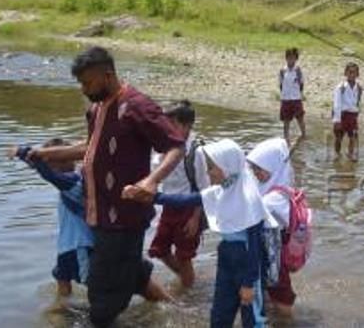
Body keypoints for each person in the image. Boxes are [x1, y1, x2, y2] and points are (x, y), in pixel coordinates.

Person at [32, 46, 184, 327]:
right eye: (81, 83)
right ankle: (180, 315)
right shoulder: (96, 108)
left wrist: (152, 181)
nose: (83, 89)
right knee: (132, 275)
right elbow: (91, 148)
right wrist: (48, 154)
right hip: (100, 218)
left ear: (107, 75)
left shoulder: (137, 106)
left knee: (101, 301)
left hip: (124, 219)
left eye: (87, 82)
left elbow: (175, 145)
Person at [125, 139, 272, 328]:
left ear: (227, 166)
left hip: (246, 261)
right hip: (227, 256)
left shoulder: (249, 199)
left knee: (252, 317)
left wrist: (249, 283)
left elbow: (255, 246)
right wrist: (150, 197)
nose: (208, 172)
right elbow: (185, 200)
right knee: (219, 315)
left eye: (212, 167)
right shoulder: (223, 189)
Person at [10, 139, 95, 299]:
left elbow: (49, 175)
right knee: (61, 277)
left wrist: (22, 152)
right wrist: (31, 160)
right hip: (67, 246)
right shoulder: (75, 177)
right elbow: (45, 170)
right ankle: (62, 309)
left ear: (55, 164)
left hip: (80, 245)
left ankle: (96, 315)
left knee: (90, 282)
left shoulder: (72, 182)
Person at [148, 100, 209, 288]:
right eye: (166, 126)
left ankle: (188, 289)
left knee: (184, 256)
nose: (168, 130)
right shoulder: (164, 148)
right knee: (158, 250)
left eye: (173, 125)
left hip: (189, 210)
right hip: (168, 207)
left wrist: (195, 218)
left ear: (187, 125)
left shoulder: (195, 152)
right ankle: (189, 282)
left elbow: (204, 189)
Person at [246, 138, 297, 316]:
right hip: (268, 249)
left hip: (275, 252)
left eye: (258, 169)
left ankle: (287, 320)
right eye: (253, 168)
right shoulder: (272, 186)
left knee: (281, 292)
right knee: (270, 287)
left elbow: (253, 215)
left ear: (273, 167)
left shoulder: (275, 197)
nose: (255, 173)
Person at [332, 62, 361, 161]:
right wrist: (337, 120)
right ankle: (337, 153)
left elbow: (357, 102)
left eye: (354, 72)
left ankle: (350, 153)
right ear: (345, 73)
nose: (352, 75)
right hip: (342, 115)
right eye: (350, 72)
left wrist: (357, 115)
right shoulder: (341, 87)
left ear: (357, 74)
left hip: (352, 115)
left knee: (352, 136)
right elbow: (337, 104)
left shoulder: (359, 88)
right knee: (339, 137)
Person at [279, 48, 306, 144]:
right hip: (286, 99)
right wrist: (284, 95)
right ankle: (286, 139)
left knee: (300, 118)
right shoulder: (282, 70)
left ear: (296, 59)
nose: (291, 60)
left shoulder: (298, 70)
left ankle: (303, 135)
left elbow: (301, 83)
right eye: (289, 58)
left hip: (296, 98)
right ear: (286, 58)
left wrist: (299, 94)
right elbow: (281, 85)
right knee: (286, 120)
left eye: (293, 58)